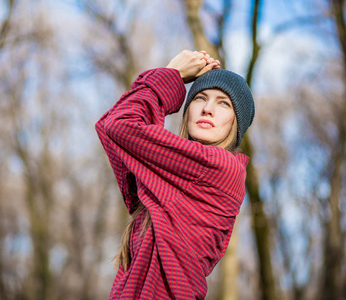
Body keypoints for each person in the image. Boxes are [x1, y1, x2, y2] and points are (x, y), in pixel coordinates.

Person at [95, 50, 255, 299]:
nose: (208, 109)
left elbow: (120, 124)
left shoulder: (223, 168)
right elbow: (110, 128)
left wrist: (173, 74)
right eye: (200, 98)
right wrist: (168, 77)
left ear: (236, 123)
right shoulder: (166, 178)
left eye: (223, 103)